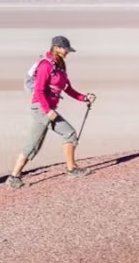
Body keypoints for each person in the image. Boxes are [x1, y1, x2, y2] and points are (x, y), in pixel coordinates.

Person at [6, 35, 96, 188]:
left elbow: (68, 89)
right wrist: (47, 110)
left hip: (46, 110)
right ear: (57, 48)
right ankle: (71, 169)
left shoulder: (60, 66)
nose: (68, 52)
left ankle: (14, 177)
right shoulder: (46, 66)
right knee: (68, 134)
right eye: (65, 49)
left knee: (34, 145)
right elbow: (39, 91)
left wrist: (84, 98)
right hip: (42, 109)